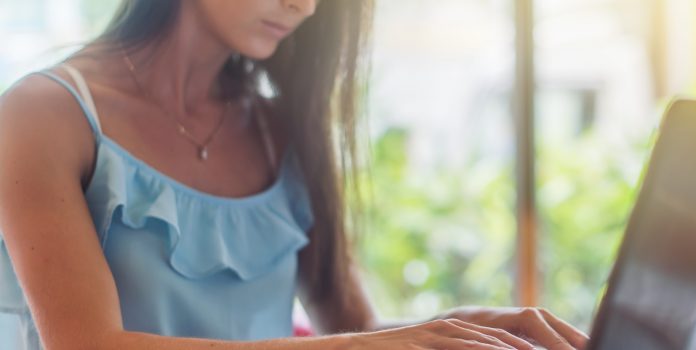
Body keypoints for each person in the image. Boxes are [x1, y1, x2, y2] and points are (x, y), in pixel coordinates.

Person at [0, 1, 588, 349]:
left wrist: (459, 329)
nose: (304, 4)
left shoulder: (279, 129)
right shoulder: (42, 116)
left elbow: (354, 328)